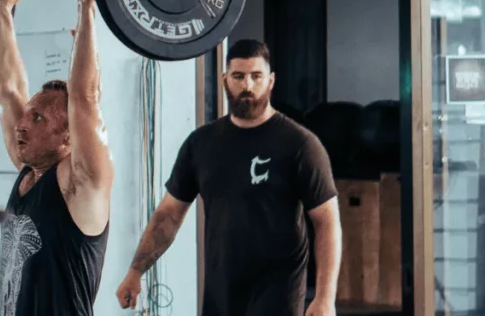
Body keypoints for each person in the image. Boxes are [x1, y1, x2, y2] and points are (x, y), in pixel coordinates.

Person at [115, 39, 342, 316]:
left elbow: (327, 222)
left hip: (278, 293)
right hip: (221, 293)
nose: (247, 86)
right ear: (225, 79)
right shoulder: (201, 144)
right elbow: (168, 215)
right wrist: (136, 270)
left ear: (270, 81)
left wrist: (325, 297)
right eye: (238, 76)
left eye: (256, 77)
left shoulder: (300, 145)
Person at [0, 0, 114, 316]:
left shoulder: (79, 183)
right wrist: (2, 10)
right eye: (28, 115)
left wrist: (86, 5)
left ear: (68, 136)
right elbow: (7, 89)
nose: (23, 124)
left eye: (39, 118)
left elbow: (86, 100)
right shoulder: (29, 169)